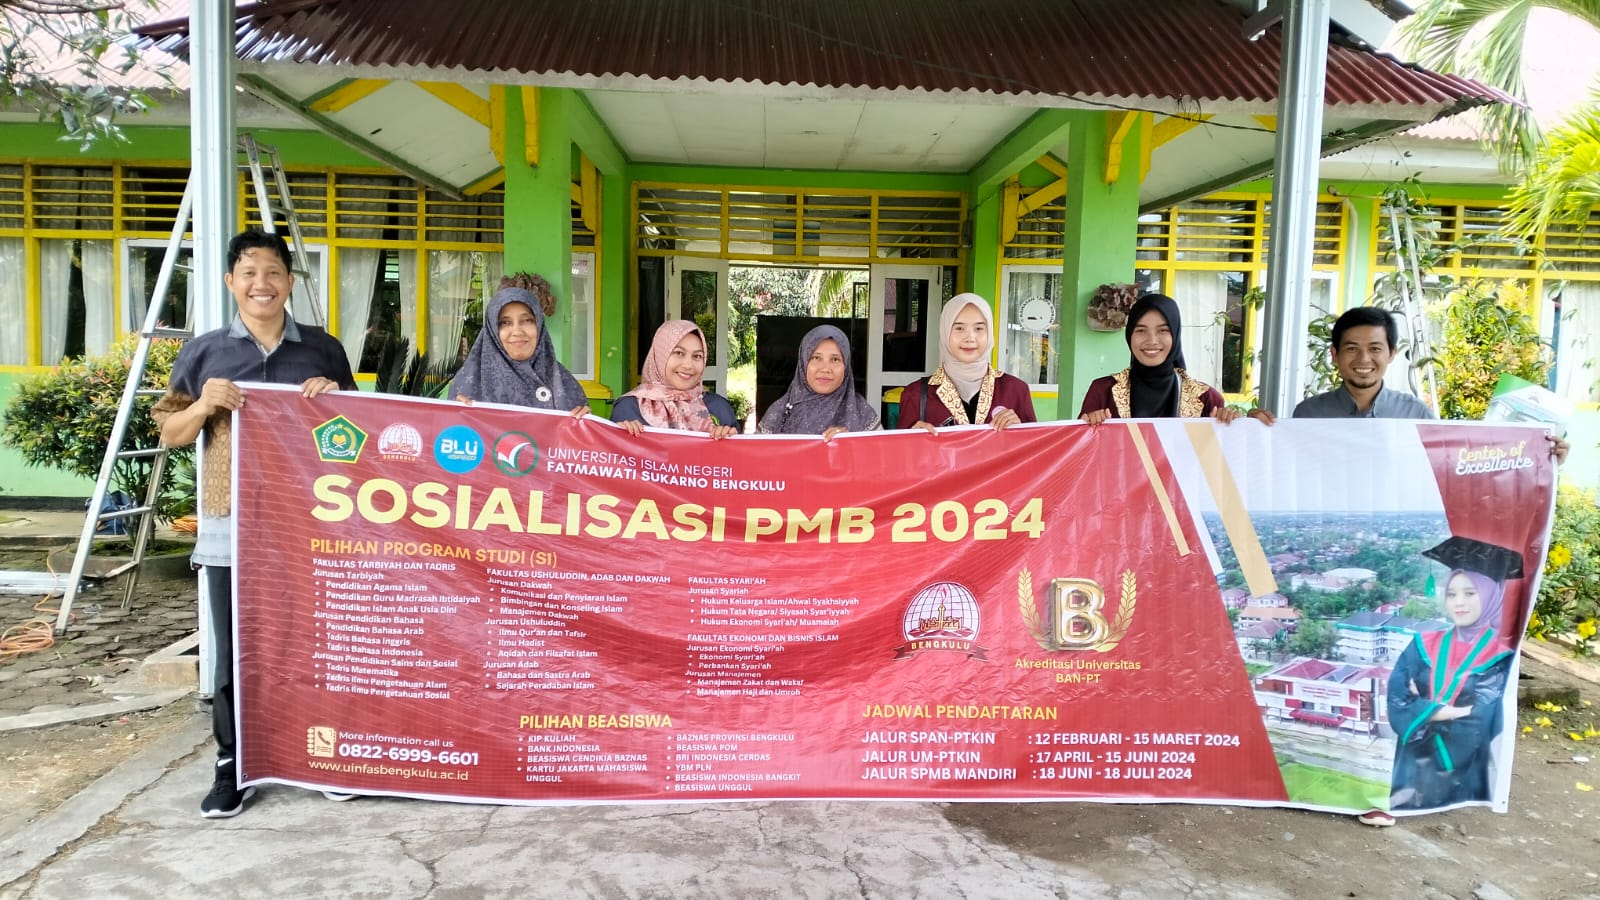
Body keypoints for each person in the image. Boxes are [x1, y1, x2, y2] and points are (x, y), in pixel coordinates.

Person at [151, 229, 357, 819]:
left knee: (316, 642)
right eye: (249, 272)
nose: (261, 284)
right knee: (235, 650)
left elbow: (355, 435)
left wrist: (334, 400)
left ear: (289, 281)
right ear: (230, 281)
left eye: (272, 272)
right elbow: (170, 432)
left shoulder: (322, 349)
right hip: (232, 526)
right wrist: (202, 404)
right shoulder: (206, 352)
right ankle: (233, 764)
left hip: (308, 524)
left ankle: (321, 754)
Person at [1248, 306, 1568, 462]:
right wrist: (1248, 433)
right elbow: (1282, 469)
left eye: (1375, 348)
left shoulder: (1416, 415)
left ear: (1391, 354)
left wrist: (1541, 456)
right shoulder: (1308, 414)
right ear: (1334, 355)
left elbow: (1452, 469)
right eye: (1351, 348)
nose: (1364, 358)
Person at [1387, 536, 1523, 815]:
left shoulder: (1500, 656)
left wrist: (1424, 708)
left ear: (1491, 596)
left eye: (1470, 593)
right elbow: (1397, 698)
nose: (1458, 603)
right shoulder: (1423, 643)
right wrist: (1453, 712)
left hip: (1464, 769)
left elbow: (1484, 718)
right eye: (1451, 594)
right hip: (1411, 764)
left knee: (1454, 812)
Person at [1079, 292, 1240, 424]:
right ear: (1129, 336)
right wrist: (1088, 427)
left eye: (1163, 330)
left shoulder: (1206, 399)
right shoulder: (1103, 392)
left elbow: (1223, 451)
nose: (1152, 340)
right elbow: (1079, 450)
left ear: (1175, 335)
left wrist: (1236, 425)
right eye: (1141, 331)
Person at [895, 293, 1035, 432]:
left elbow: (1036, 444)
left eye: (979, 328)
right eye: (959, 328)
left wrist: (1020, 430)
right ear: (945, 332)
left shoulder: (1015, 391)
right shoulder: (915, 395)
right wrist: (913, 440)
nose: (970, 338)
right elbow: (899, 446)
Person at [448, 284, 589, 418]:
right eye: (505, 322)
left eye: (527, 320)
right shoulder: (469, 383)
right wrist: (455, 418)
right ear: (492, 330)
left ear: (539, 325)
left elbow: (577, 434)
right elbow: (451, 432)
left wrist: (585, 423)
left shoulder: (564, 382)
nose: (517, 331)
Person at [612, 320, 738, 439]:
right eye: (679, 353)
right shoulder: (629, 407)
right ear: (660, 356)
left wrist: (730, 440)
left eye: (697, 356)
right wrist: (620, 437)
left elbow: (737, 453)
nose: (688, 365)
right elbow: (614, 452)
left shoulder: (718, 407)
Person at [757, 324, 880, 440]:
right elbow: (756, 453)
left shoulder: (862, 413)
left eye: (835, 359)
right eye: (816, 358)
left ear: (846, 367)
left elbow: (882, 453)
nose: (825, 369)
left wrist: (851, 443)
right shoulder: (778, 412)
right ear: (803, 363)